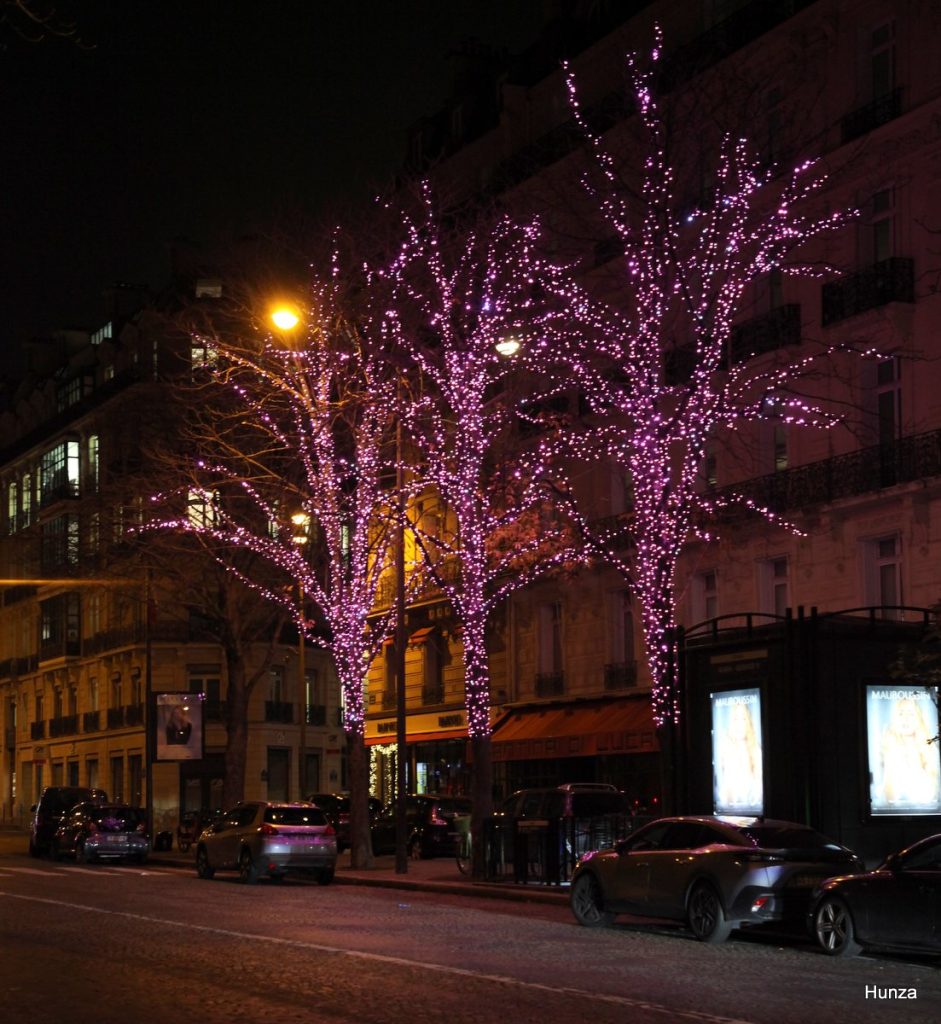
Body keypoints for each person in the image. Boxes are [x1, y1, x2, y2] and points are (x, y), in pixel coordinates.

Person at [879, 695, 940, 809]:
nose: (905, 718)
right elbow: (889, 799)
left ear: (919, 718)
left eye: (910, 714)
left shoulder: (930, 749)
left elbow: (928, 797)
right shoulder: (889, 746)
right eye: (901, 713)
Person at [715, 700, 763, 811]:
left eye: (743, 718)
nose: (740, 723)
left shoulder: (756, 750)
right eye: (736, 719)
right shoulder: (725, 749)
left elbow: (760, 791)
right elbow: (723, 792)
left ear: (748, 721)